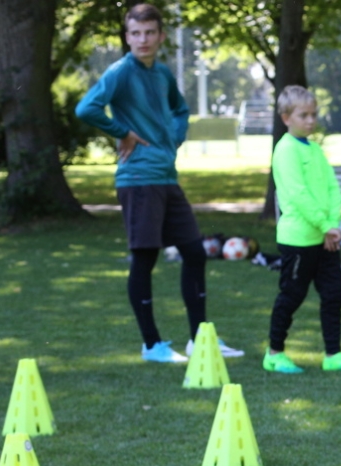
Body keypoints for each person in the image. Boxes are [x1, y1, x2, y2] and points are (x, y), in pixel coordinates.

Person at [76, 3, 242, 364]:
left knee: (195, 253)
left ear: (160, 36)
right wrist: (123, 133)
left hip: (166, 176)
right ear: (127, 37)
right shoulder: (120, 72)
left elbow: (180, 111)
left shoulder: (163, 73)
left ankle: (200, 340)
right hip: (137, 179)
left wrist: (175, 137)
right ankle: (152, 345)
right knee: (145, 257)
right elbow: (86, 108)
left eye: (149, 32)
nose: (143, 39)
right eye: (135, 33)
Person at [263, 85, 341, 374]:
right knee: (291, 296)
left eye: (313, 114)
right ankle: (274, 353)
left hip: (324, 238)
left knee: (333, 294)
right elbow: (296, 194)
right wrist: (324, 226)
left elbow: (332, 188)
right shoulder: (285, 150)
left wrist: (331, 226)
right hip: (299, 240)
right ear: (286, 117)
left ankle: (333, 355)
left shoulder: (314, 149)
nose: (310, 120)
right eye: (303, 115)